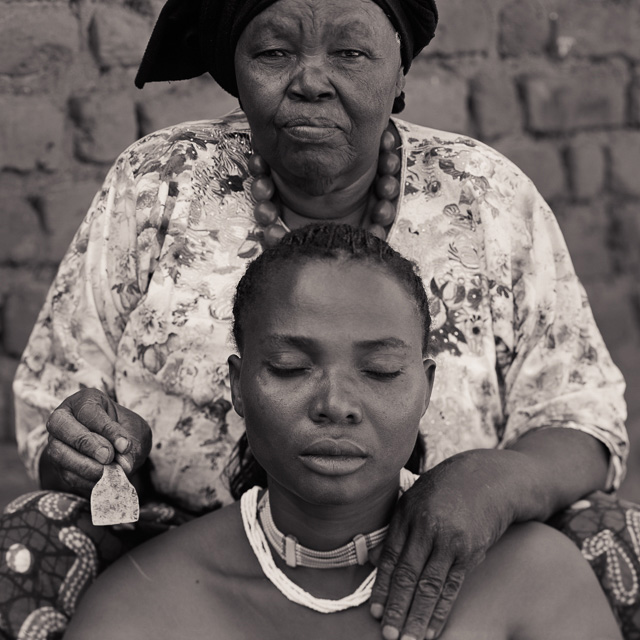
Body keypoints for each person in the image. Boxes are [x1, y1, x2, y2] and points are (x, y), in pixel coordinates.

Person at [1, 0, 635, 638]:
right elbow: (55, 403)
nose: (309, 79)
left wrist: (492, 484)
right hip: (184, 562)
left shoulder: (486, 196)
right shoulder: (157, 184)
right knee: (32, 535)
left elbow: (584, 419)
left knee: (613, 537)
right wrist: (95, 452)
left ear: (399, 70)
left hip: (446, 556)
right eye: (274, 53)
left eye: (350, 53)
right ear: (236, 74)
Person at [63, 224, 622, 640]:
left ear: (426, 388)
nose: (336, 405)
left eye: (379, 372)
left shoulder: (532, 577)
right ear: (237, 385)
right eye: (289, 366)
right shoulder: (142, 608)